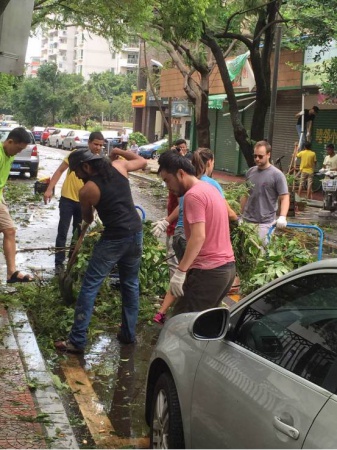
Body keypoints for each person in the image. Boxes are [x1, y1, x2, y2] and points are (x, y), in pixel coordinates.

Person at [55, 147, 147, 353]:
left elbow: (87, 218)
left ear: (86, 166)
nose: (77, 176)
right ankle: (128, 334)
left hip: (114, 238)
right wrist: (119, 151)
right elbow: (143, 161)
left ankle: (77, 340)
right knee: (130, 284)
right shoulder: (119, 166)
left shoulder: (87, 190)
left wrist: (92, 206)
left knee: (90, 287)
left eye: (77, 172)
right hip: (135, 233)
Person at [153, 148, 237, 324]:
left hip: (209, 272)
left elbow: (198, 237)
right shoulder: (209, 188)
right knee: (203, 325)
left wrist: (180, 272)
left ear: (181, 173)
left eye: (168, 180)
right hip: (225, 270)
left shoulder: (193, 196)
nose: (168, 187)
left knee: (181, 326)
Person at [44, 131, 105, 274]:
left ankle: (72, 262)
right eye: (95, 144)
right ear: (89, 143)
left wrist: (95, 207)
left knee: (78, 233)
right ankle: (59, 264)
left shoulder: (100, 162)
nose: (97, 147)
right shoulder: (76, 155)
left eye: (101, 145)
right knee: (62, 232)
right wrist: (49, 189)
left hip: (83, 203)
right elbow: (59, 171)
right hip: (67, 199)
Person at [0, 127, 34, 283]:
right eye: (18, 148)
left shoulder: (10, 154)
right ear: (10, 141)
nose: (19, 152)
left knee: (10, 231)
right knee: (9, 230)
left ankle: (11, 273)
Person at [241, 140, 289, 241]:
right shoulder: (250, 172)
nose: (257, 159)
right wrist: (241, 215)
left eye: (260, 156)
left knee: (261, 253)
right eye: (255, 156)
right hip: (247, 221)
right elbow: (245, 194)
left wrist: (282, 216)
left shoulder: (277, 175)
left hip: (265, 224)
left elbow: (284, 197)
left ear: (268, 155)